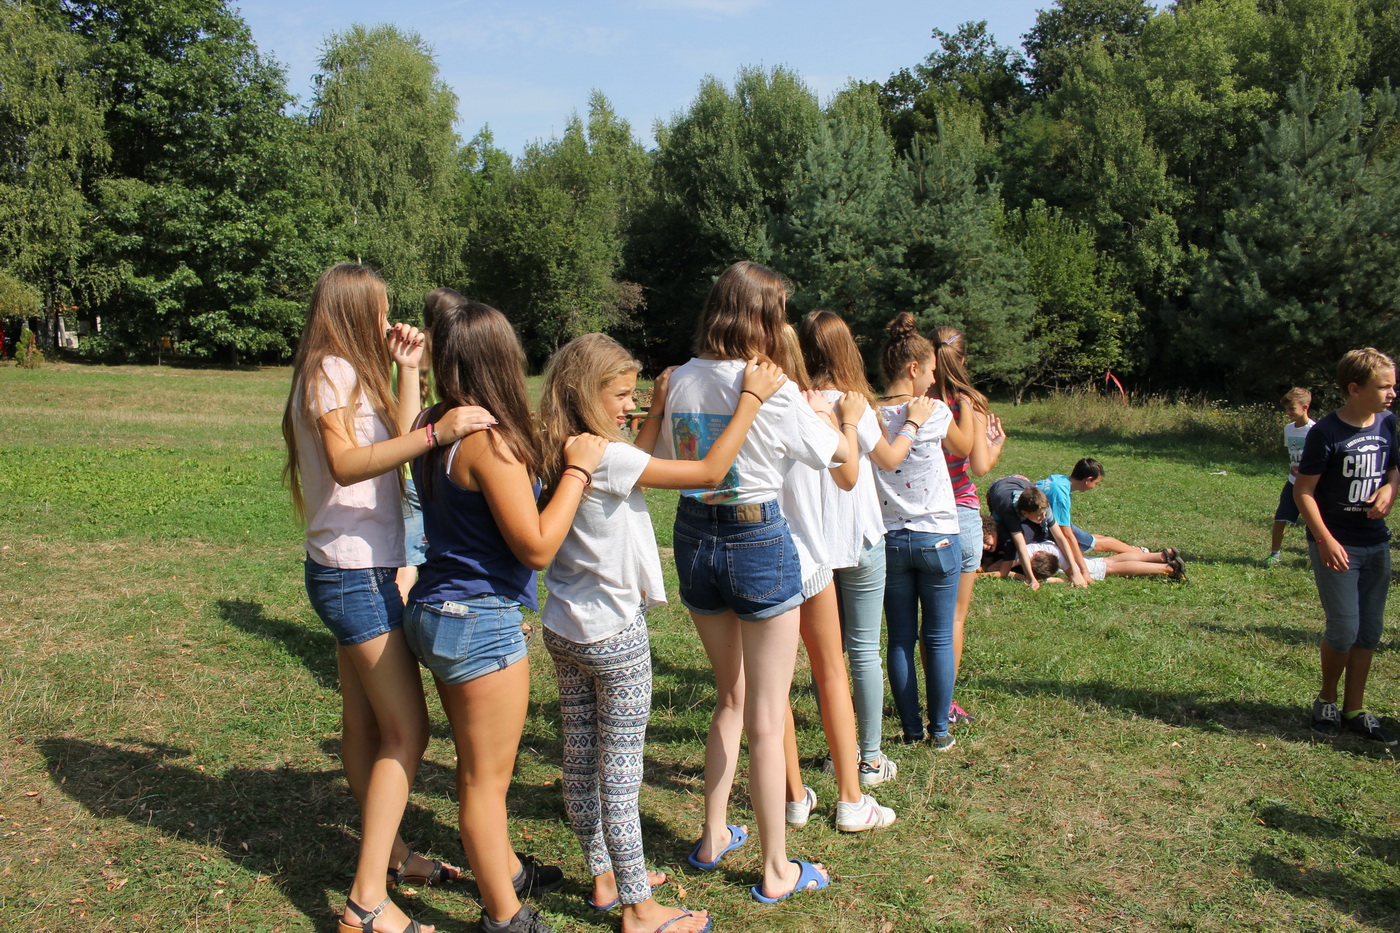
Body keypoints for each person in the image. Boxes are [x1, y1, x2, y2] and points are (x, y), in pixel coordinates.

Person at [538, 334, 786, 933]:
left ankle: (605, 878)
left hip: (563, 628)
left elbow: (635, 472)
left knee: (580, 760)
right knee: (620, 778)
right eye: (621, 395)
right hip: (615, 636)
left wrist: (655, 413)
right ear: (586, 392)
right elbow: (708, 471)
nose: (631, 405)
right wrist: (751, 400)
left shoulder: (554, 445)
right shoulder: (606, 454)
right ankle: (639, 909)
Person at [281, 264, 496, 933]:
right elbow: (349, 464)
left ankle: (393, 857)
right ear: (351, 311)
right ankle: (366, 901)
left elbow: (395, 449)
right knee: (408, 732)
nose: (386, 319)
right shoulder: (330, 372)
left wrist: (408, 371)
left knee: (366, 727)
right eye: (377, 311)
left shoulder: (345, 370)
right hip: (355, 574)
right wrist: (439, 431)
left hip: (354, 568)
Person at [405, 301, 609, 933]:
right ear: (503, 360)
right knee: (484, 783)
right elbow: (537, 547)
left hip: (436, 609)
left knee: (476, 771)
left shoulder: (432, 423)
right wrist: (578, 471)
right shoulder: (489, 445)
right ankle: (505, 916)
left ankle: (508, 874)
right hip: (478, 621)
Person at [655, 261, 850, 904]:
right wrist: (841, 419)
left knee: (730, 698)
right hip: (757, 538)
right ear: (764, 316)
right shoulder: (772, 387)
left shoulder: (679, 377)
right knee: (768, 715)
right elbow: (839, 458)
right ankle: (775, 868)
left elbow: (666, 455)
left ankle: (713, 836)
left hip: (693, 535)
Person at [796, 310, 932, 788]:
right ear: (845, 349)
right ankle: (870, 759)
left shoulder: (792, 401)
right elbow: (890, 459)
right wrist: (913, 422)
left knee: (825, 656)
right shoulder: (854, 404)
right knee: (863, 653)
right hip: (860, 539)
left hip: (811, 545)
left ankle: (842, 754)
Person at [769, 323, 895, 833]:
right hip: (812, 548)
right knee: (837, 666)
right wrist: (845, 421)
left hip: (757, 550)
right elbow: (848, 472)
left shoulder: (740, 402)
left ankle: (794, 796)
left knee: (771, 682)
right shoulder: (814, 405)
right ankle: (854, 787)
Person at [873, 312, 970, 751]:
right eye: (931, 371)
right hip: (939, 537)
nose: (934, 380)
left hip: (890, 540)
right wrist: (967, 401)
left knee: (899, 639)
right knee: (938, 637)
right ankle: (940, 732)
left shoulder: (870, 414)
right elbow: (964, 448)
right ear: (914, 368)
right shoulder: (934, 411)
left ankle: (911, 730)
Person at [1294, 348, 1399, 745]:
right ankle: (1326, 701)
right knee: (1343, 630)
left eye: (1393, 386)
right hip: (1336, 544)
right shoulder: (1326, 432)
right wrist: (1325, 539)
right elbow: (1304, 492)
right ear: (1355, 389)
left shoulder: (1388, 423)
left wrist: (1390, 489)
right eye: (1384, 387)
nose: (1392, 394)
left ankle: (1354, 709)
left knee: (1369, 631)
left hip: (1375, 543)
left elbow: (1394, 467)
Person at [927, 325, 1005, 727]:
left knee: (918, 622)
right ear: (964, 359)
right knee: (953, 620)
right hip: (960, 513)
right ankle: (943, 706)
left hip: (919, 514)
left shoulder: (916, 398)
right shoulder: (969, 403)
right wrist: (996, 445)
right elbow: (980, 466)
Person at [395, 287, 463, 604]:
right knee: (415, 562)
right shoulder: (451, 360)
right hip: (439, 473)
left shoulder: (404, 355)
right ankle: (394, 623)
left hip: (406, 470)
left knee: (409, 557)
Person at [985, 478, 1089, 590]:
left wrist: (1075, 571)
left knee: (1044, 530)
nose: (1044, 517)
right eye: (1039, 515)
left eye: (1044, 514)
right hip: (998, 490)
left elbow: (1060, 538)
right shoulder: (1009, 513)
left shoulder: (1043, 506)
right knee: (1003, 533)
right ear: (1025, 513)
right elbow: (1021, 547)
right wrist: (1031, 579)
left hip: (1018, 483)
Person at [1265, 388, 1316, 566]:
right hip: (1293, 482)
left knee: (1313, 521)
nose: (1287, 413)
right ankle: (1274, 554)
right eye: (1286, 409)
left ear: (1305, 407)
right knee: (1280, 518)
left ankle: (1316, 557)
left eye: (1291, 409)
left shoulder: (1316, 430)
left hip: (1312, 485)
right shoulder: (1288, 429)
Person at [982, 540, 1186, 582]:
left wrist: (1016, 573)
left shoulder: (1022, 555)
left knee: (1110, 567)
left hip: (1069, 562)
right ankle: (1161, 556)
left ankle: (1168, 568)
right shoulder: (1030, 550)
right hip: (1065, 551)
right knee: (1108, 560)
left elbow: (996, 569)